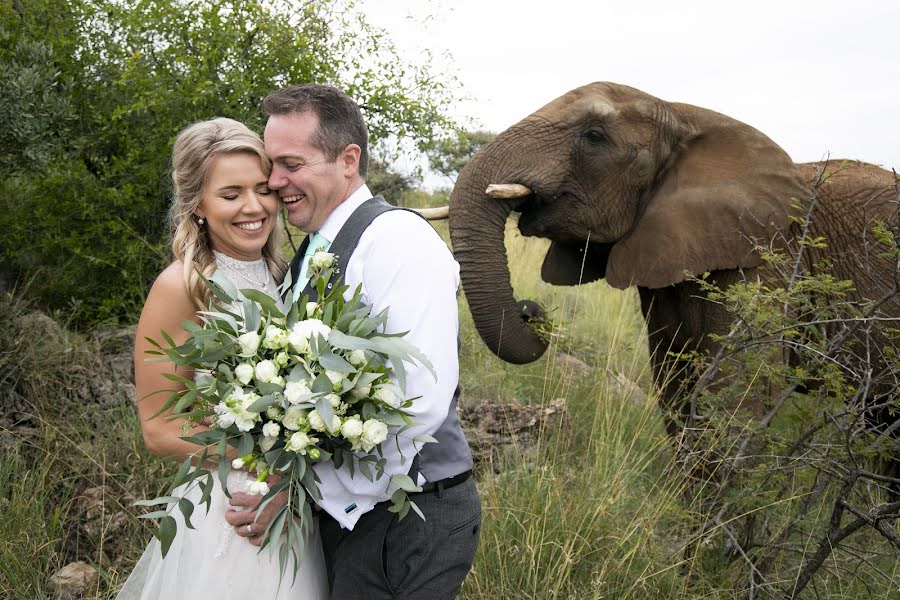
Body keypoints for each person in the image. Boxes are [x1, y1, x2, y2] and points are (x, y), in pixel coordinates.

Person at [225, 84, 481, 599]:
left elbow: (418, 402)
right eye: (272, 164)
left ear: (348, 160)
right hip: (352, 516)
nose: (275, 182)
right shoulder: (314, 249)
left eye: (291, 164)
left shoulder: (397, 241)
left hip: (407, 516)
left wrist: (307, 489)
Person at [117, 118, 329, 600]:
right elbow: (159, 428)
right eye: (231, 195)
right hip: (235, 506)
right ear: (197, 205)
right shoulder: (184, 286)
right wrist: (263, 461)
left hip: (294, 500)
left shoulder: (282, 272)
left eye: (262, 189)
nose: (254, 207)